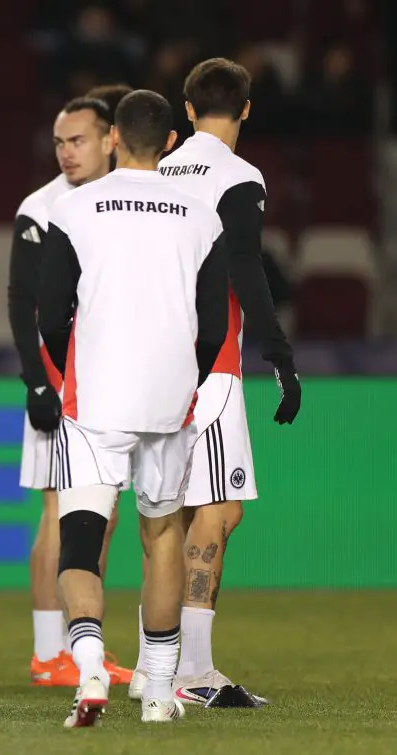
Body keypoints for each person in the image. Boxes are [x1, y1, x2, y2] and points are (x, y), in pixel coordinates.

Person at [37, 89, 229, 726]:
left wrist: (75, 368)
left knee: (81, 542)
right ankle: (157, 688)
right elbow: (212, 324)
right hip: (169, 397)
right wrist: (186, 379)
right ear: (170, 141)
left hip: (96, 398)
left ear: (113, 137)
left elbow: (48, 314)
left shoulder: (75, 207)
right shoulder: (201, 214)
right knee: (163, 531)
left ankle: (89, 665)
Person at [133, 57, 299, 708]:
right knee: (220, 509)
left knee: (163, 513)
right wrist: (279, 353)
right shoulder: (238, 175)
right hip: (208, 366)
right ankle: (192, 670)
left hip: (145, 362)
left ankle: (155, 666)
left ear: (188, 109)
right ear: (248, 109)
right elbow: (244, 268)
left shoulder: (156, 169)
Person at [9, 96, 134, 689]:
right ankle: (46, 652)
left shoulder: (126, 200)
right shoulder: (41, 207)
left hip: (111, 382)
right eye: (60, 142)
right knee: (57, 515)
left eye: (77, 140)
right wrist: (37, 378)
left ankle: (84, 645)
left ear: (111, 139)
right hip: (61, 386)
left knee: (100, 520)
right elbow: (20, 300)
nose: (66, 152)